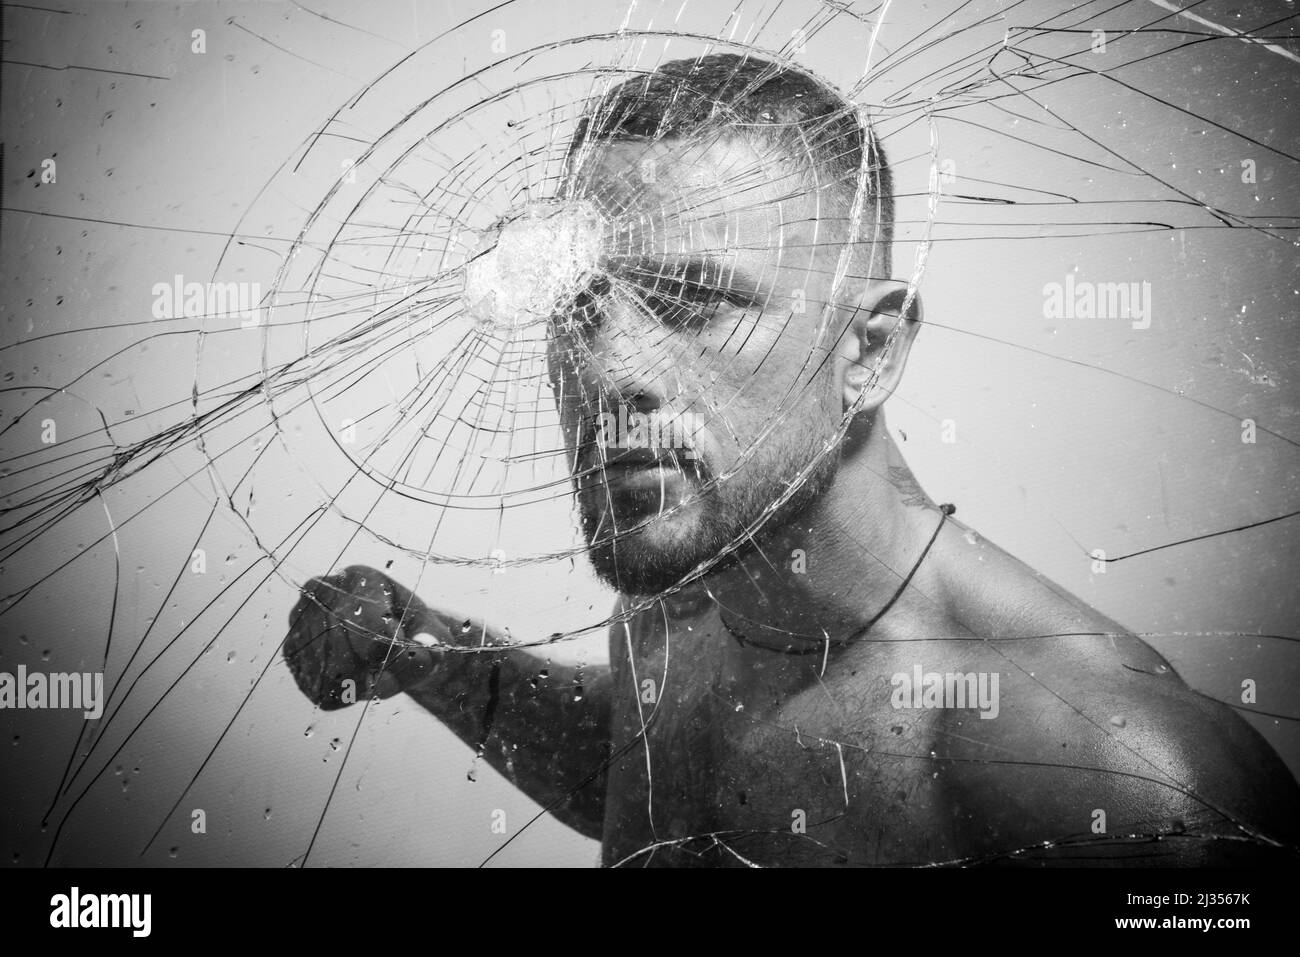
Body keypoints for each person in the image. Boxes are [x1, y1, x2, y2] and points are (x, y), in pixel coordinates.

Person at [284, 54, 1298, 866]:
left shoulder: (1109, 781)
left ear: (868, 352)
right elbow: (662, 784)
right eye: (579, 302)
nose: (611, 367)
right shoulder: (680, 602)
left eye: (695, 301)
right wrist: (432, 654)